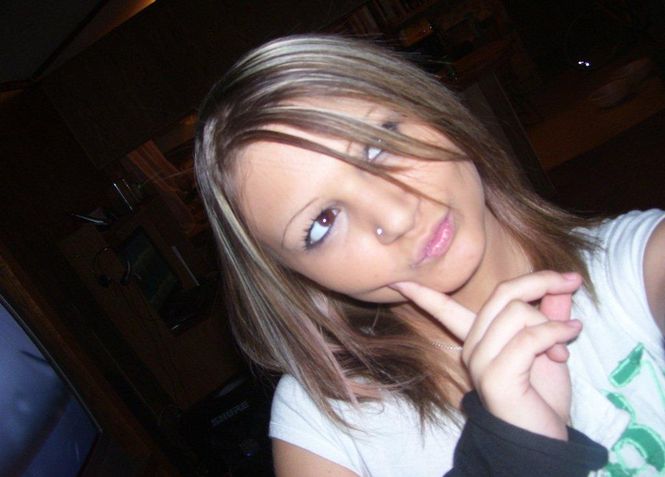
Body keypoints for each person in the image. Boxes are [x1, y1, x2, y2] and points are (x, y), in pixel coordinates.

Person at [194, 34, 665, 476]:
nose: (397, 216)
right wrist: (512, 455)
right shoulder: (325, 426)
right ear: (291, 275)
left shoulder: (642, 264)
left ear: (429, 108)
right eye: (322, 222)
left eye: (377, 146)